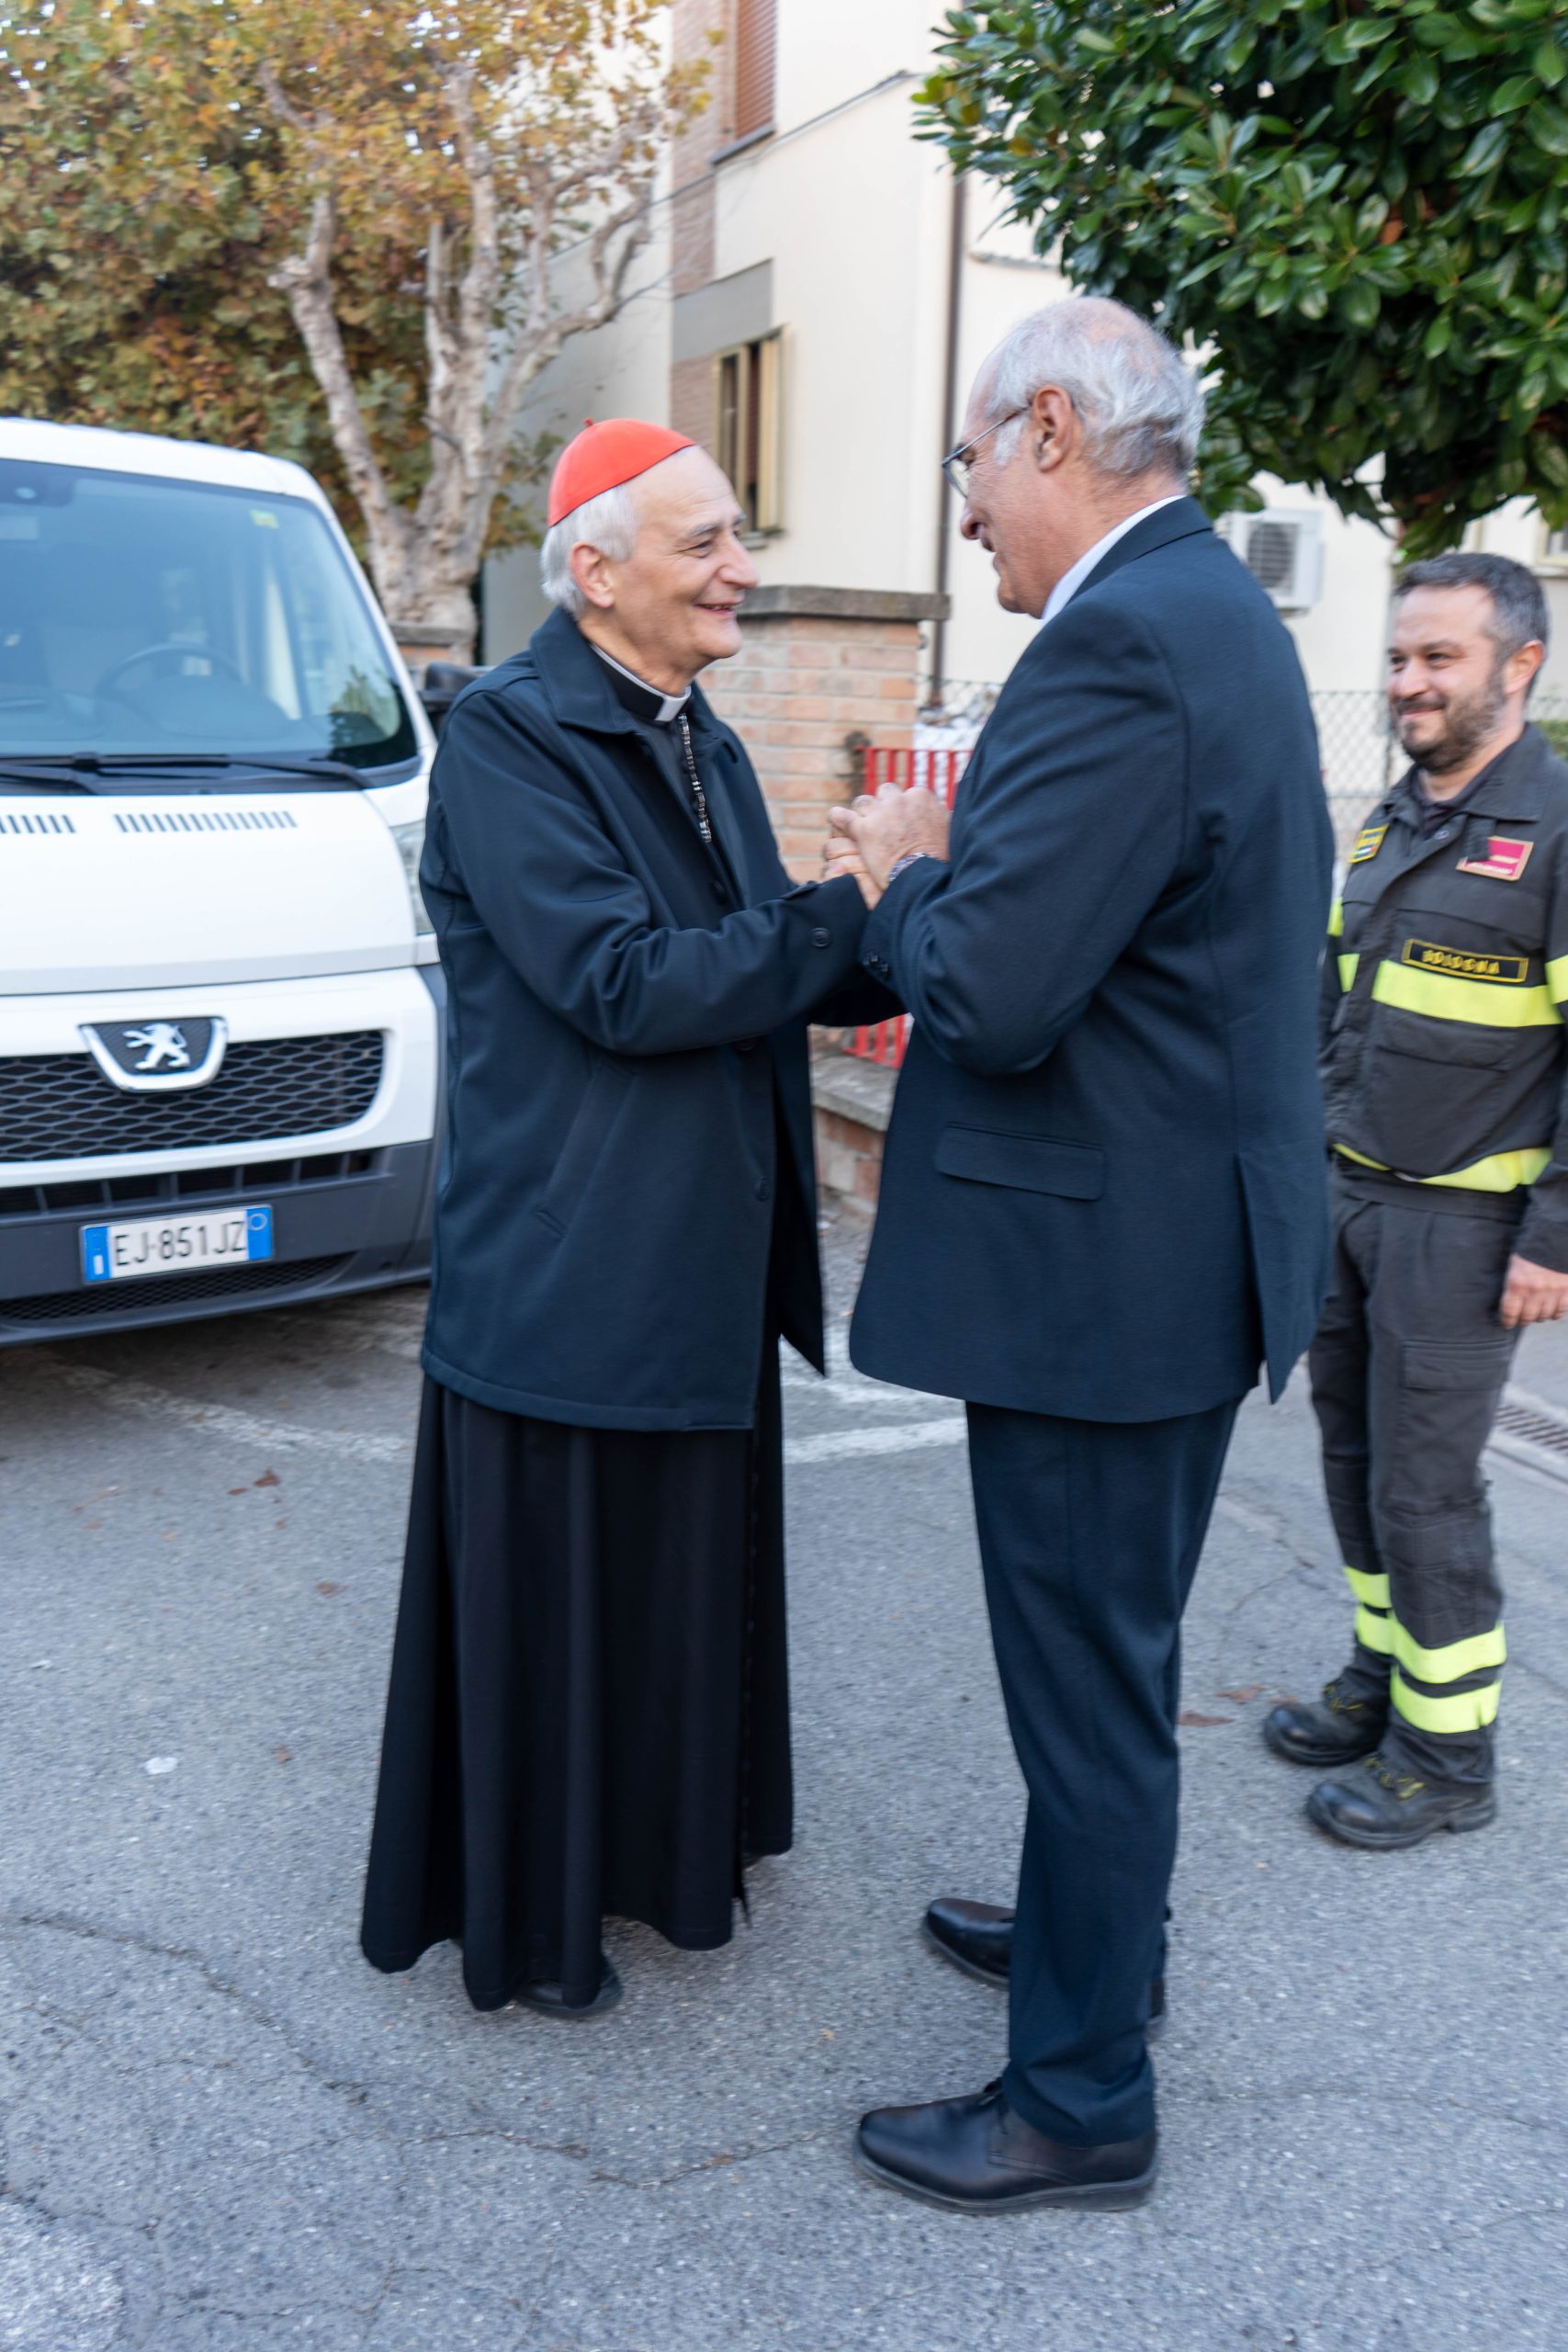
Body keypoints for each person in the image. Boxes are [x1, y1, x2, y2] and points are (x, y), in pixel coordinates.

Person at [823, 300, 1331, 2212]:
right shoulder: (1204, 610)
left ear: (1047, 427)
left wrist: (902, 862)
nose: (964, 507)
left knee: (1088, 1688)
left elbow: (995, 991)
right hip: (1167, 1250)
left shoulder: (1122, 640)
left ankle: (1079, 2095)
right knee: (1107, 1661)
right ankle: (1091, 1949)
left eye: (968, 461)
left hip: (1107, 1279)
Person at [360, 419, 888, 2018]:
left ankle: (664, 1857)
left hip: (689, 1261)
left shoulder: (695, 729)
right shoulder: (512, 738)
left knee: (666, 1600)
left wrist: (911, 917)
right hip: (571, 1275)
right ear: (594, 573)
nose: (742, 569)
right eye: (705, 541)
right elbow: (626, 983)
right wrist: (846, 914)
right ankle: (543, 1919)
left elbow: (762, 954)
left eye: (737, 536)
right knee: (573, 1618)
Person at [1261, 553, 1568, 1848]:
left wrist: (1556, 1239)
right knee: (1354, 1460)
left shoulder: (1557, 829)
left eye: (1439, 657)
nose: (1408, 682)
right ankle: (1382, 1679)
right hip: (1352, 1196)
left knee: (1428, 1492)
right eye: (1398, 658)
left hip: (1465, 1226)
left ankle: (1449, 1759)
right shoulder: (1392, 819)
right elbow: (1336, 1008)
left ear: (1521, 665)